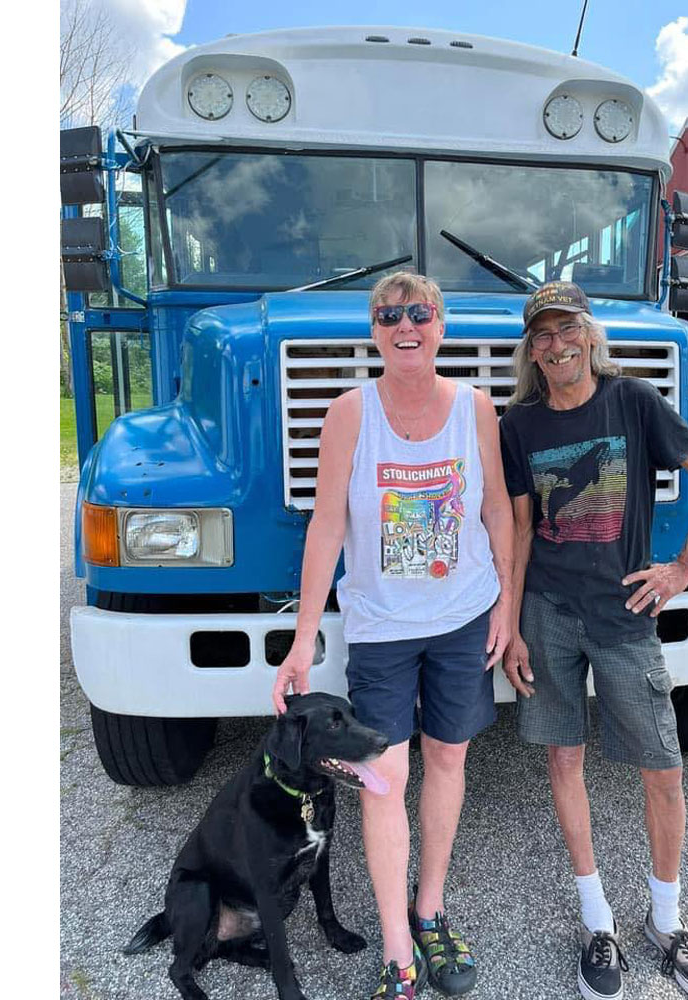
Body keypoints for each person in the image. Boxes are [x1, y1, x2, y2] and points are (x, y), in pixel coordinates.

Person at [272, 272, 514, 1000]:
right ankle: (398, 949)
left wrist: (506, 604)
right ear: (373, 330)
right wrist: (301, 637)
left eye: (419, 313)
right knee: (384, 778)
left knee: (448, 758)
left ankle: (430, 906)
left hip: (463, 617)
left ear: (442, 326)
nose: (404, 325)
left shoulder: (475, 409)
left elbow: (499, 508)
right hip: (381, 629)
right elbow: (328, 524)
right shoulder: (349, 414)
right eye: (389, 315)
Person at [498, 281, 688, 1000]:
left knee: (663, 768)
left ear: (590, 335)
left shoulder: (632, 402)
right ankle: (596, 919)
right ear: (530, 347)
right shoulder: (519, 426)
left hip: (624, 616)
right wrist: (510, 627)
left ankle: (667, 922)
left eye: (567, 329)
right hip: (547, 614)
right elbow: (517, 530)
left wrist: (684, 567)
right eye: (542, 334)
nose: (556, 345)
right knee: (564, 759)